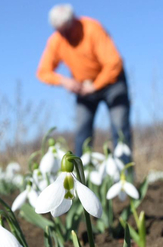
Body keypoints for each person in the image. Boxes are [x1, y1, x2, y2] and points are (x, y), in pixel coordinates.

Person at [36, 4, 133, 170]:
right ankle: (80, 177)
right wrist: (65, 81)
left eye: (67, 30)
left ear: (74, 20)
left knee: (120, 127)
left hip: (112, 82)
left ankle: (125, 174)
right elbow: (43, 72)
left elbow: (114, 62)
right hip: (83, 88)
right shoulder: (57, 41)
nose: (65, 35)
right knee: (82, 130)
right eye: (60, 31)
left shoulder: (92, 29)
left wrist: (95, 85)